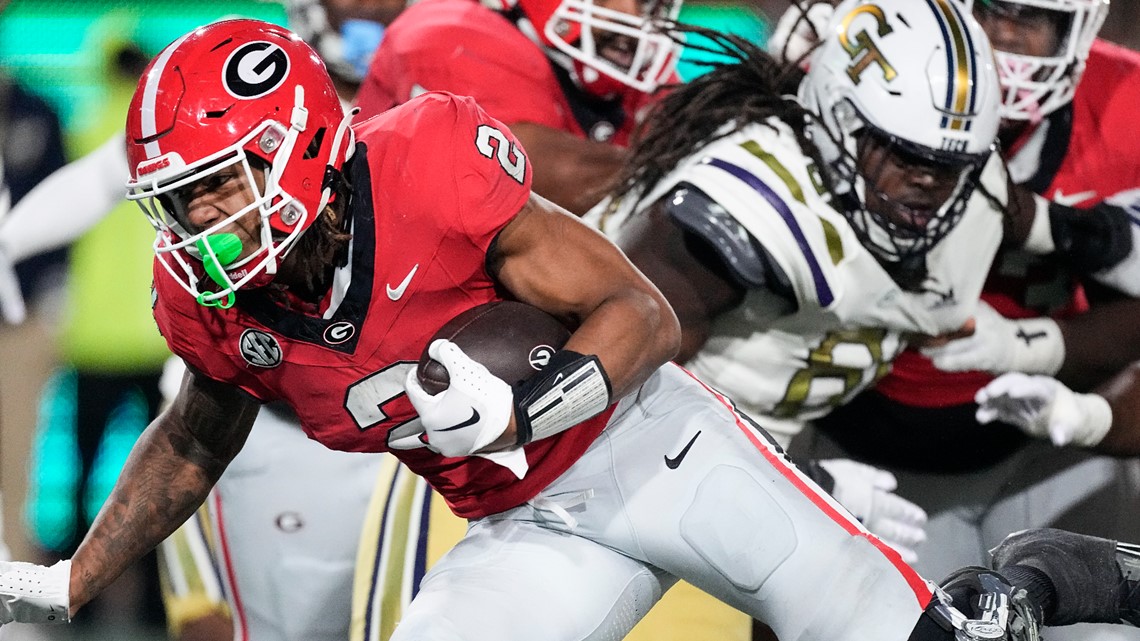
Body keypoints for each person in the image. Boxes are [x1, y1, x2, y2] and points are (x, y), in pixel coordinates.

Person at [0, 16, 1106, 641]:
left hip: (658, 449)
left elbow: (644, 307)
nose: (197, 223)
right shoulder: (211, 298)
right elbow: (195, 437)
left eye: (216, 186)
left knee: (908, 636)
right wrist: (77, 573)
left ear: (297, 148)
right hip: (522, 522)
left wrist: (535, 398)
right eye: (179, 199)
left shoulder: (426, 160)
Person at [806, 0, 1140, 609]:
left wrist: (1034, 347)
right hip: (870, 445)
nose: (1004, 36)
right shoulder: (853, 68)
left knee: (1103, 623)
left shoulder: (1125, 101)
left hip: (1047, 443)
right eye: (989, 8)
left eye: (1032, 17)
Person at [355, 0, 681, 216]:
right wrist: (691, 169)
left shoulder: (629, 70)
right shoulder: (450, 32)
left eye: (647, 3)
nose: (633, 19)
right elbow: (534, 180)